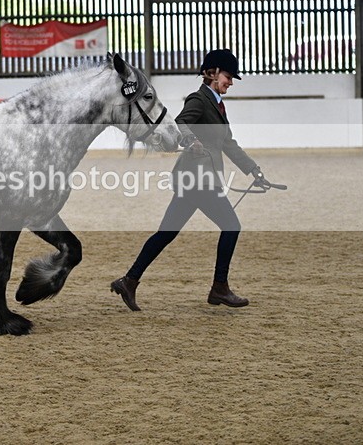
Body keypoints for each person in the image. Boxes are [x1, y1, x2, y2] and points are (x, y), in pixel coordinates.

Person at [110, 49, 267, 310]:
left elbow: (228, 143)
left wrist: (253, 170)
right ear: (213, 73)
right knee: (231, 225)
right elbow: (181, 123)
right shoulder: (199, 99)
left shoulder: (216, 103)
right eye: (228, 76)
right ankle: (219, 288)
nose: (230, 82)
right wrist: (190, 139)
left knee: (166, 233)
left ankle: (129, 281)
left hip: (195, 180)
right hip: (197, 179)